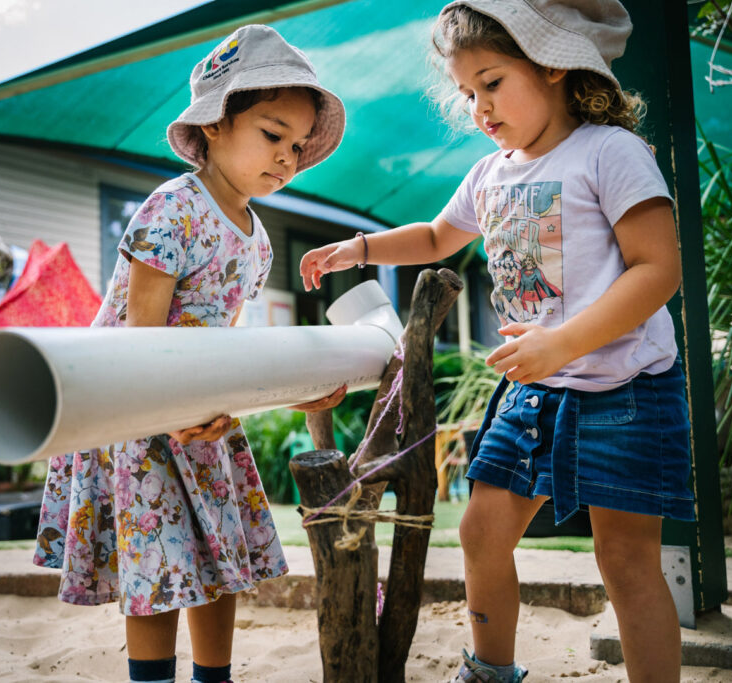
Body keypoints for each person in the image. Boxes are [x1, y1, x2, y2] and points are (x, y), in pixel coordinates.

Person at [299, 2, 696, 682]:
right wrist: (359, 248)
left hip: (625, 388)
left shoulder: (610, 151)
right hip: (533, 387)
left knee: (626, 561)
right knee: (482, 532)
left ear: (551, 67)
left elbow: (659, 268)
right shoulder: (490, 174)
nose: (479, 107)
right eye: (466, 93)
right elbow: (433, 237)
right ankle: (489, 670)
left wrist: (562, 344)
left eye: (491, 82)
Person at [34, 25, 346, 683]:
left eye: (297, 145)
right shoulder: (172, 207)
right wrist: (169, 410)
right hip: (138, 414)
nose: (289, 157)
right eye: (272, 133)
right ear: (213, 125)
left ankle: (215, 676)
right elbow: (143, 337)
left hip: (201, 416)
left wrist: (293, 392)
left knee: (215, 557)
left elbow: (223, 344)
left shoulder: (258, 241)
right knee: (157, 557)